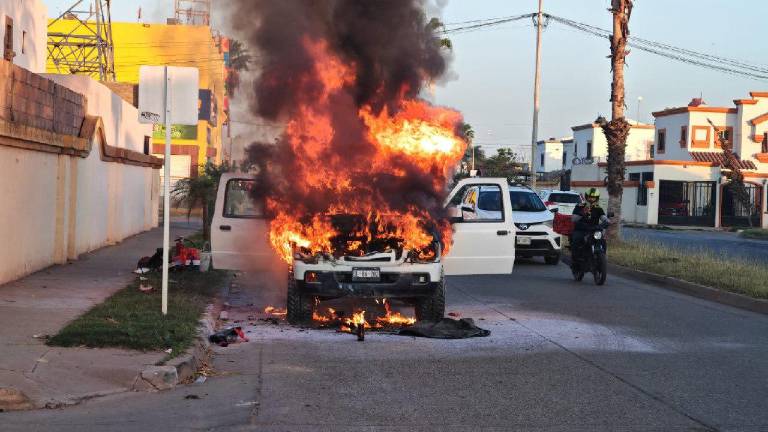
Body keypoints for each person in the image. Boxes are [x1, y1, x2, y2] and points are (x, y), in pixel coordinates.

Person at [570, 188, 609, 262]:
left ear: (597, 198)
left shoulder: (598, 208)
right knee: (576, 240)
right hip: (581, 230)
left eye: (593, 197)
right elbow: (573, 219)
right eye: (589, 197)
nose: (591, 199)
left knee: (603, 241)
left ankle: (603, 256)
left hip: (594, 230)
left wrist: (607, 221)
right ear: (586, 197)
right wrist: (582, 212)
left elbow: (603, 217)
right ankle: (575, 259)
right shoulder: (579, 206)